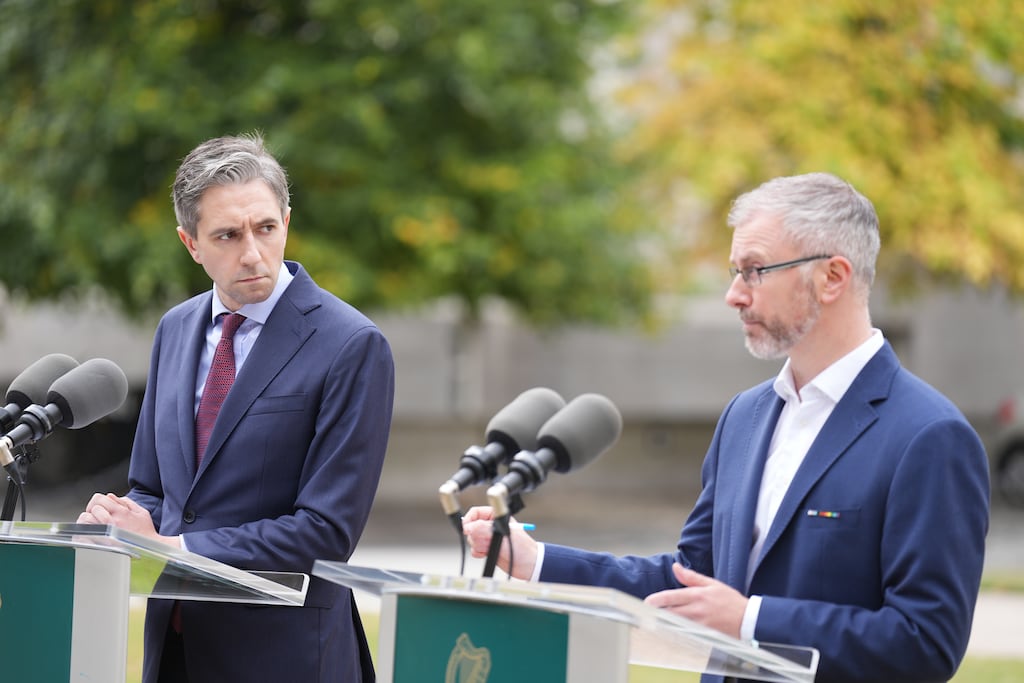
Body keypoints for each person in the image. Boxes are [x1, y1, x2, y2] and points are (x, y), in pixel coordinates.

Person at [464, 172, 990, 682]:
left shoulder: (929, 436)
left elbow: (926, 641)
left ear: (832, 277)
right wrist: (537, 562)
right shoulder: (745, 416)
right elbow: (690, 580)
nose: (734, 294)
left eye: (755, 270)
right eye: (736, 271)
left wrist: (750, 621)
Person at [78, 133, 395, 682]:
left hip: (286, 656)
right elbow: (155, 488)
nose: (252, 252)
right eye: (227, 235)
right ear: (190, 243)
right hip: (174, 649)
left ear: (287, 222)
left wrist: (175, 547)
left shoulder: (352, 345)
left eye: (265, 228)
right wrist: (118, 521)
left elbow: (326, 530)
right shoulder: (175, 328)